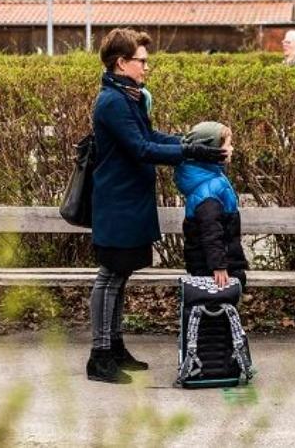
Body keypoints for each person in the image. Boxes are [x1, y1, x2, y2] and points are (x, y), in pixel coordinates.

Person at [88, 28, 228, 384]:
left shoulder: (128, 97)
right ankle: (99, 355)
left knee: (120, 276)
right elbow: (141, 149)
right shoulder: (112, 102)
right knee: (109, 276)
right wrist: (190, 151)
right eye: (142, 61)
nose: (147, 67)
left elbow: (150, 138)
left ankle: (114, 346)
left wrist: (186, 142)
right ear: (121, 63)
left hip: (129, 201)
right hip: (117, 202)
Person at [174, 121, 248, 289]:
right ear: (213, 151)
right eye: (228, 145)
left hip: (220, 263)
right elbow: (211, 232)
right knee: (217, 307)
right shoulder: (208, 192)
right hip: (213, 269)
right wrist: (218, 266)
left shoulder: (212, 178)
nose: (232, 149)